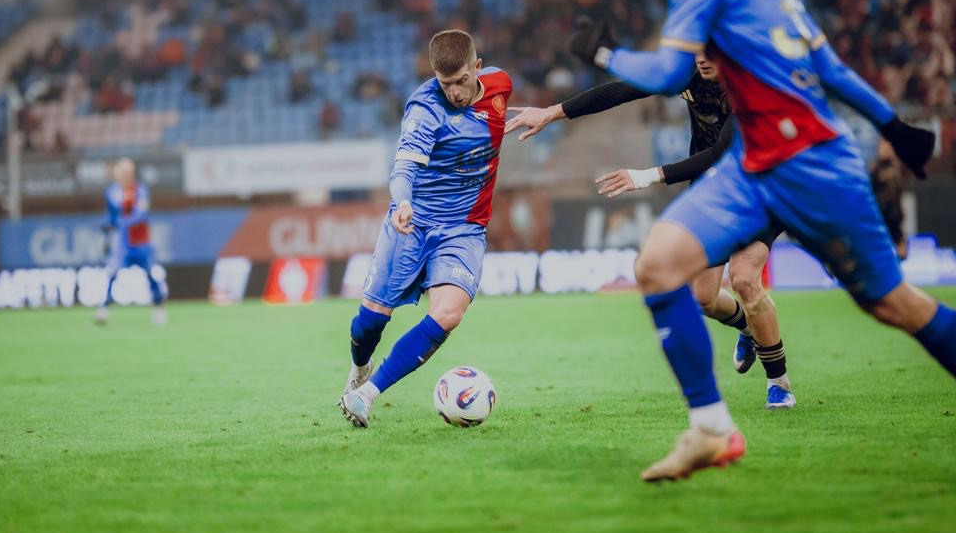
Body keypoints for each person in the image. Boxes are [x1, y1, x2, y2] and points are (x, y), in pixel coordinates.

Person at [567, 0, 956, 482]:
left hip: (809, 163)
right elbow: (831, 67)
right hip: (750, 164)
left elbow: (666, 70)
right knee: (658, 264)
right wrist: (893, 125)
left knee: (892, 303)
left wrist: (604, 54)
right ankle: (711, 429)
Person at [506, 54, 795, 409]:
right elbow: (622, 91)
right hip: (713, 192)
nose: (702, 58)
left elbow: (720, 153)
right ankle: (750, 329)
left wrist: (645, 176)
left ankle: (778, 383)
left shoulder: (750, 83)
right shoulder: (685, 72)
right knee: (704, 297)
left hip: (761, 187)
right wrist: (551, 113)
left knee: (745, 279)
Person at [338, 29, 512, 428]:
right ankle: (360, 368)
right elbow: (403, 169)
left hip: (464, 229)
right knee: (370, 323)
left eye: (461, 81)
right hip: (413, 223)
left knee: (449, 313)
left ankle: (366, 395)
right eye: (445, 83)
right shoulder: (425, 109)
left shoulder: (501, 85)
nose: (454, 92)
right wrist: (402, 203)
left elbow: (499, 107)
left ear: (477, 67)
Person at [95, 158, 167, 326]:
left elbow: (141, 214)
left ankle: (158, 307)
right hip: (123, 243)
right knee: (112, 273)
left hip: (141, 241)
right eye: (122, 172)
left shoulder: (140, 191)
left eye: (128, 172)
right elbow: (111, 215)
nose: (125, 175)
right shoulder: (112, 192)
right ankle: (104, 309)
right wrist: (107, 226)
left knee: (150, 274)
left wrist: (121, 223)